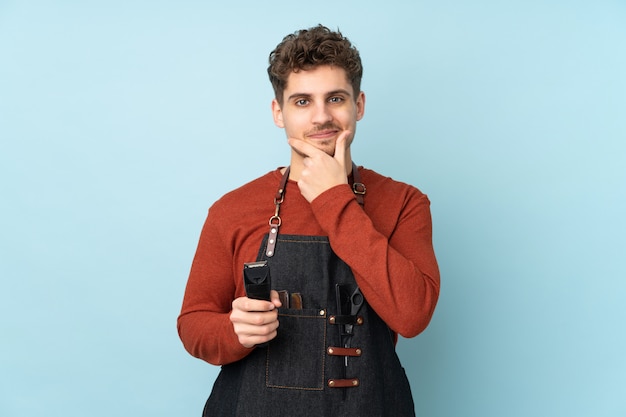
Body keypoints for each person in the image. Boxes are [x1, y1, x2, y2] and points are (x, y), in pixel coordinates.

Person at [177, 24, 440, 416]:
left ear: (359, 105)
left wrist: (335, 198)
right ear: (278, 112)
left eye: (335, 98)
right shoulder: (232, 209)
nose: (321, 117)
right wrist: (234, 332)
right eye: (302, 102)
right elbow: (194, 324)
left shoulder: (404, 203)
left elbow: (413, 314)